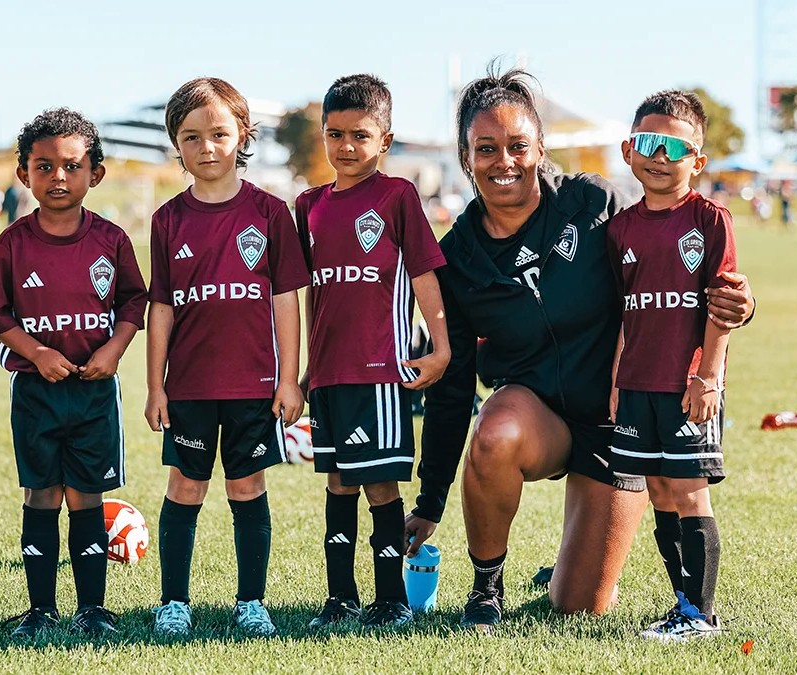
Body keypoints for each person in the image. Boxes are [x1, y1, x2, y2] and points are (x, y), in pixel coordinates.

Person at [403, 65, 755, 632]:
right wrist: (430, 499)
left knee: (577, 605)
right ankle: (486, 589)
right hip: (537, 419)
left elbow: (676, 283)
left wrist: (742, 307)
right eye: (485, 148)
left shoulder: (593, 204)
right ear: (466, 157)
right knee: (495, 429)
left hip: (622, 424)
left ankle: (569, 568)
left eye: (518, 145)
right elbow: (452, 386)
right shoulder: (457, 257)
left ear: (540, 147)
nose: (504, 162)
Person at [144, 77, 310, 637]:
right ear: (177, 145)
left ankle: (251, 602)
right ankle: (174, 603)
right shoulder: (168, 219)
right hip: (189, 385)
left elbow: (286, 301)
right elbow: (160, 308)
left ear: (243, 135)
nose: (207, 147)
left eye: (219, 133)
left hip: (253, 386)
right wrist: (155, 386)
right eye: (191, 137)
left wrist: (290, 379)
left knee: (247, 487)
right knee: (184, 487)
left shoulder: (269, 213)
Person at [0, 108, 148, 639]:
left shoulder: (112, 240)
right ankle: (41, 609)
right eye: (43, 166)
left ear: (94, 173)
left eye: (71, 166)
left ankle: (93, 608)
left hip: (95, 393)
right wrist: (37, 352)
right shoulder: (10, 243)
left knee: (87, 497)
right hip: (36, 391)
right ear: (24, 173)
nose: (57, 177)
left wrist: (115, 349)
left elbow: (133, 302)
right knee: (42, 495)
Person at [294, 74, 450, 630]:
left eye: (359, 135)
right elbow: (306, 294)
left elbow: (427, 275)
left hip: (380, 371)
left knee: (381, 483)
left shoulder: (396, 196)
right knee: (337, 483)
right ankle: (340, 599)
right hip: (329, 376)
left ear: (385, 139)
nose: (345, 147)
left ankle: (390, 601)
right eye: (334, 134)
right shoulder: (308, 205)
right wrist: (301, 372)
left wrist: (439, 346)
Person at [607, 91, 735, 641]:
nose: (659, 156)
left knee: (688, 491)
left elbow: (723, 307)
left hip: (687, 385)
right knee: (658, 487)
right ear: (628, 151)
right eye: (647, 143)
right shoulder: (619, 229)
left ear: (697, 161)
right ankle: (680, 603)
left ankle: (701, 615)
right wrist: (614, 382)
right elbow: (620, 314)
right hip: (635, 383)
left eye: (674, 147)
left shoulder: (710, 220)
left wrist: (709, 377)